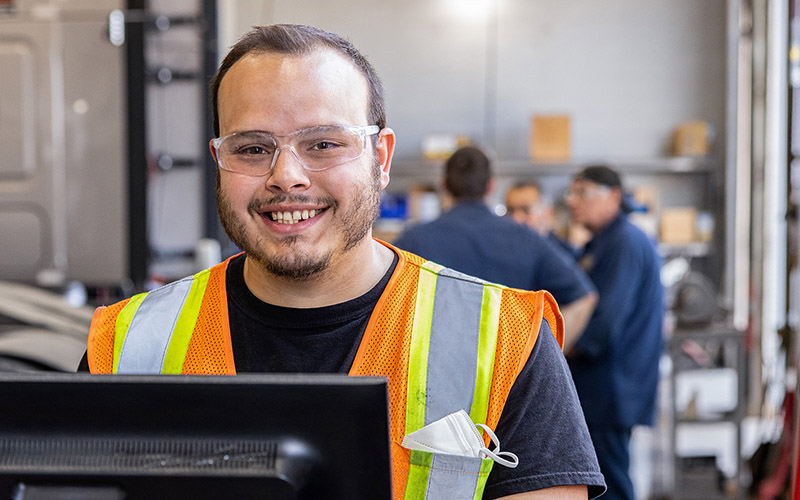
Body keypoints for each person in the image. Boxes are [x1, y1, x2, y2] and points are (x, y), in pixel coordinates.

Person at [82, 24, 605, 500]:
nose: (286, 176)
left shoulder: (507, 342)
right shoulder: (127, 345)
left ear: (380, 160)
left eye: (324, 143)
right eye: (251, 148)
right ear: (219, 160)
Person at [393, 147, 597, 349]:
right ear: (491, 186)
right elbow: (584, 298)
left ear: (444, 185)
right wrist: (546, 358)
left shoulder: (413, 241)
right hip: (510, 376)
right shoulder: (527, 239)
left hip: (429, 376)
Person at [564, 165, 665, 500]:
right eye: (572, 192)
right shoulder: (603, 242)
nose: (572, 201)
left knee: (609, 485)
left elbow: (603, 326)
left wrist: (555, 349)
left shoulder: (624, 242)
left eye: (582, 193)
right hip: (604, 387)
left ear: (613, 197)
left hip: (611, 387)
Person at [504, 180, 585, 257]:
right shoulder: (501, 253)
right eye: (510, 210)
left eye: (526, 210)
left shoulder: (567, 256)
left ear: (548, 212)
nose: (515, 218)